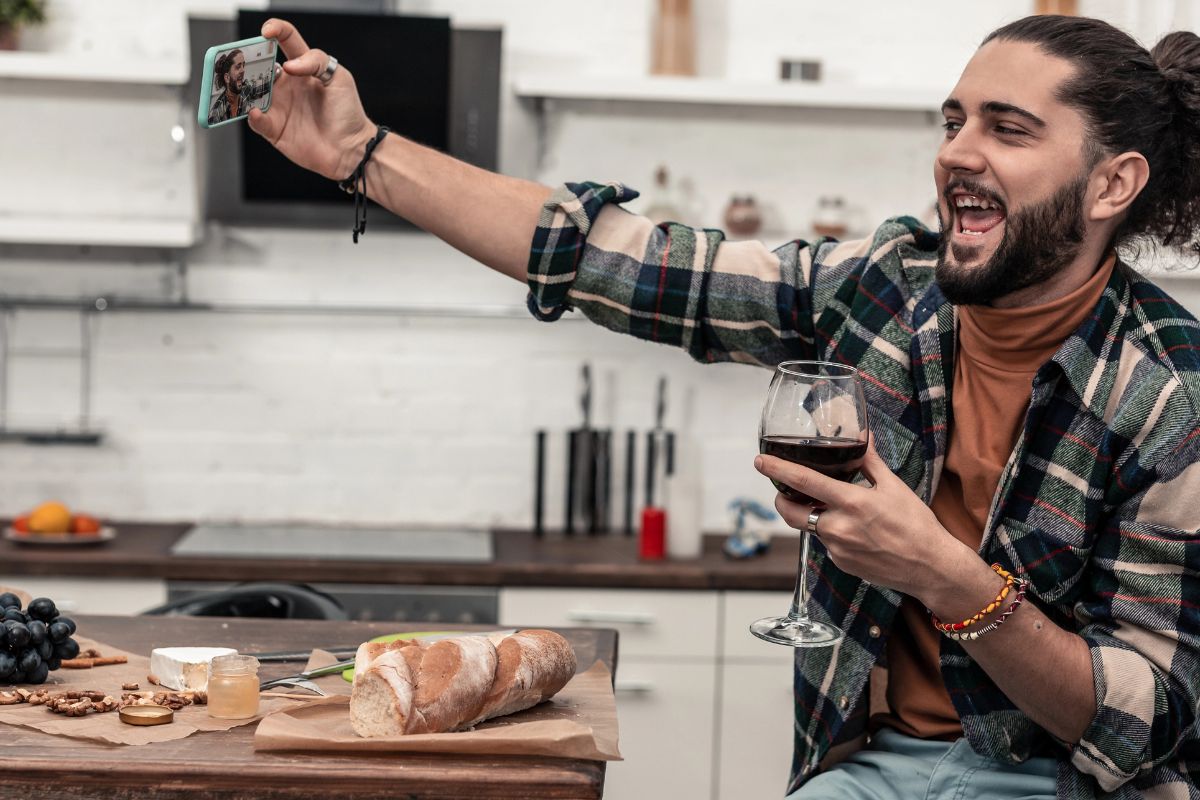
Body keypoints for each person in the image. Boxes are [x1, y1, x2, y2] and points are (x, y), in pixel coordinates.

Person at [247, 13, 1200, 799]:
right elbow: (617, 260)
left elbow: (1148, 714)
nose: (957, 153)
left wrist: (946, 577)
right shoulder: (884, 287)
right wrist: (359, 155)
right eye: (953, 122)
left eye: (1008, 127)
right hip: (867, 768)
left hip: (1062, 783)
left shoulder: (1172, 393)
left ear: (1112, 182)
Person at [208, 48, 249, 125]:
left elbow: (265, 86)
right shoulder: (216, 112)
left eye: (243, 65)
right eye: (238, 67)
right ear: (227, 78)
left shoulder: (246, 89)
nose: (243, 70)